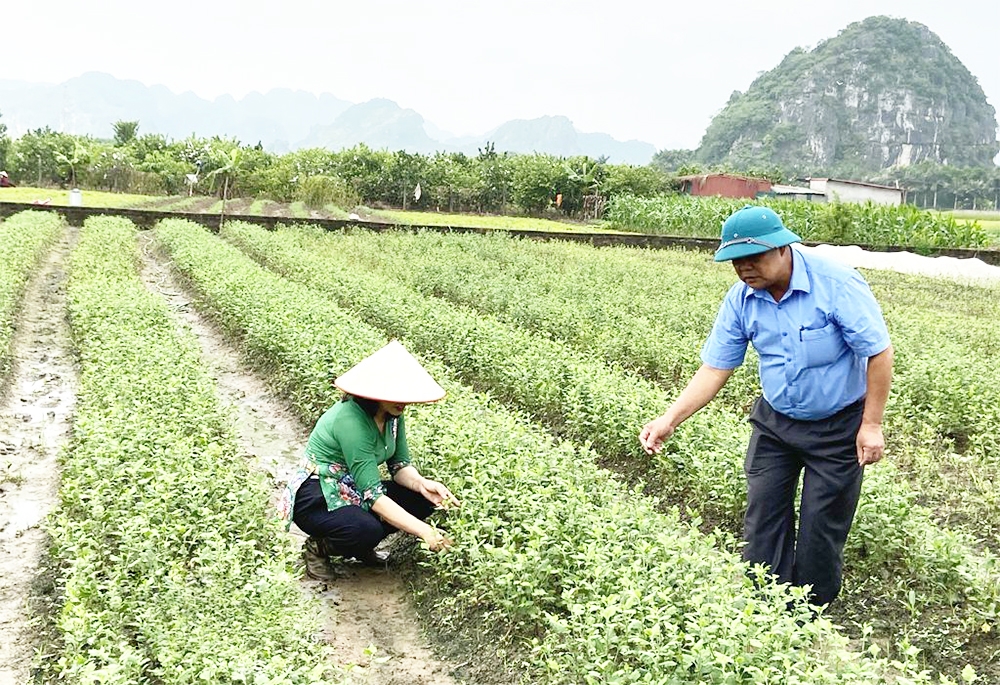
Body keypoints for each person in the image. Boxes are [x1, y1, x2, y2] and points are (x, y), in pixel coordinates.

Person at [639, 206, 893, 607]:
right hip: (776, 424)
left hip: (838, 427)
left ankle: (811, 614)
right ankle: (766, 609)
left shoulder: (836, 284)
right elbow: (715, 366)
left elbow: (878, 352)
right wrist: (669, 419)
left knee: (819, 529)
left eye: (753, 258)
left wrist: (871, 424)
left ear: (783, 248)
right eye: (736, 261)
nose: (744, 269)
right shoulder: (742, 300)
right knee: (762, 519)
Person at [278, 340, 459, 580]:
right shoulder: (351, 421)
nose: (403, 401)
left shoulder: (393, 414)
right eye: (396, 394)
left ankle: (359, 546)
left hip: (354, 488)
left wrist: (421, 484)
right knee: (364, 529)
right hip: (318, 494)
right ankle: (320, 548)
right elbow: (373, 496)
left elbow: (399, 466)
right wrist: (426, 532)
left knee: (422, 500)